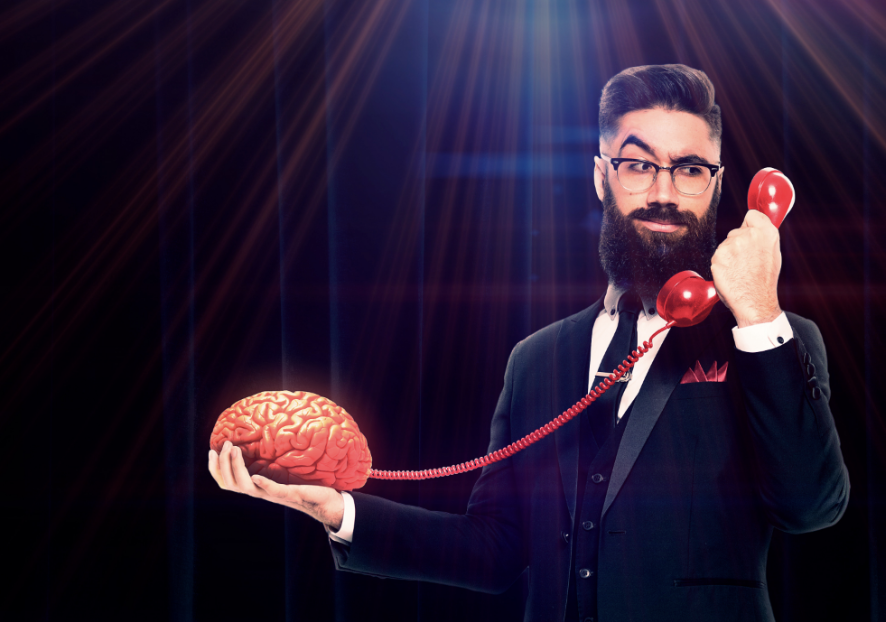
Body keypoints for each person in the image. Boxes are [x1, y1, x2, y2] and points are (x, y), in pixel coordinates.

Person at [210, 64, 849, 621]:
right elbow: (494, 549)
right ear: (601, 176)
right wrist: (340, 511)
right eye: (637, 164)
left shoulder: (769, 341)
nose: (662, 191)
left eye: (687, 169)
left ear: (716, 184)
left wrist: (759, 311)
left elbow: (810, 508)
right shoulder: (536, 360)